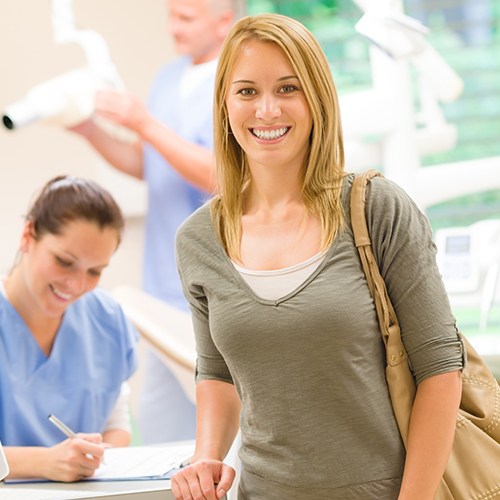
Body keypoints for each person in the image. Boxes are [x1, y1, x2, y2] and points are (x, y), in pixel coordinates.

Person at [172, 13, 465, 500]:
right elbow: (217, 372)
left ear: (318, 99)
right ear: (225, 105)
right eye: (246, 92)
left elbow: (440, 369)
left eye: (288, 88)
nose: (266, 110)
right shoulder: (199, 238)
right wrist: (206, 456)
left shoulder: (377, 210)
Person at [68, 0, 240, 444]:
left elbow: (224, 176)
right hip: (162, 287)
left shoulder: (238, 80)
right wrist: (90, 129)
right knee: (162, 432)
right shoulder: (168, 78)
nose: (172, 28)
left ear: (224, 22)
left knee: (225, 436)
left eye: (185, 18)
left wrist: (143, 123)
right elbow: (150, 164)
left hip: (221, 288)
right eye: (170, 14)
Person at [0, 176, 139, 482]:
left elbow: (117, 423)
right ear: (28, 235)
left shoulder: (106, 318)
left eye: (94, 271)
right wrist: (43, 463)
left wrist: (94, 455)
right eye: (64, 261)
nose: (76, 285)